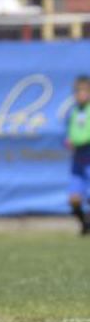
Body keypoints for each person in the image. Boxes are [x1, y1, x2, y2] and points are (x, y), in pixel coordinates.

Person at [66, 75, 90, 235]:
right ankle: (85, 225)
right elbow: (70, 132)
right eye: (77, 91)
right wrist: (68, 140)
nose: (80, 94)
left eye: (84, 91)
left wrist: (78, 141)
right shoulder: (74, 112)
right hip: (78, 161)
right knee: (74, 199)